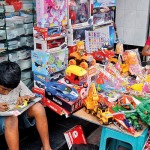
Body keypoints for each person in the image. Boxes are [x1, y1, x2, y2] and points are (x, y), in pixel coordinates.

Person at [0, 61, 52, 150]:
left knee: (38, 108)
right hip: (5, 121)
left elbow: (31, 97)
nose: (7, 92)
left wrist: (26, 97)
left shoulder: (16, 83)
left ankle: (46, 147)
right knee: (11, 119)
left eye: (10, 90)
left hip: (17, 116)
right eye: (4, 89)